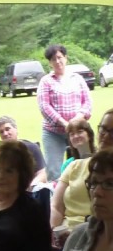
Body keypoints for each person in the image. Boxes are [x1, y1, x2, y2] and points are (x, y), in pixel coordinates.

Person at [52, 110, 111, 249]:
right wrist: (53, 231)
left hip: (94, 238)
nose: (105, 136)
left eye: (112, 132)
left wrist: (76, 234)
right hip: (65, 234)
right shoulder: (74, 165)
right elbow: (56, 205)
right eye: (103, 129)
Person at [38, 43, 92, 181]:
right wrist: (64, 123)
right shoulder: (46, 81)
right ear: (49, 63)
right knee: (54, 170)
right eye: (53, 59)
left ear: (65, 58)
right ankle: (56, 198)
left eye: (59, 57)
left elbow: (87, 102)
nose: (57, 61)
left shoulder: (77, 79)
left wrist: (76, 121)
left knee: (87, 163)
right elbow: (44, 106)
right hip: (53, 132)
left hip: (78, 130)